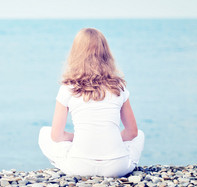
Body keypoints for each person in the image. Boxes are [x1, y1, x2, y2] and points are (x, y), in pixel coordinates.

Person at [38, 28, 145, 177]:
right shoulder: (119, 87)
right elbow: (132, 132)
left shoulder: (67, 88)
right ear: (106, 53)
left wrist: (79, 137)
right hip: (116, 167)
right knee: (140, 135)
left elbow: (57, 136)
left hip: (79, 166)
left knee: (44, 133)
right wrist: (108, 138)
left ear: (75, 54)